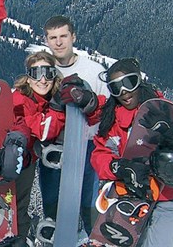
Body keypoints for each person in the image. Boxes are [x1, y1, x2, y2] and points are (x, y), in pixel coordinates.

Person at [92, 58, 173, 247]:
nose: (124, 93)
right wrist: (117, 166)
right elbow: (100, 155)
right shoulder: (112, 121)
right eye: (116, 88)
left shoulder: (165, 110)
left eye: (129, 83)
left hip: (167, 198)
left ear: (139, 81)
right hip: (131, 196)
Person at [42, 15, 108, 235]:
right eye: (53, 38)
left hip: (87, 146)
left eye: (63, 36)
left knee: (89, 203)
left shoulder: (93, 70)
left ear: (73, 37)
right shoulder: (43, 72)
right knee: (54, 205)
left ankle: (94, 238)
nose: (58, 42)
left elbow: (108, 112)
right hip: (54, 148)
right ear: (46, 40)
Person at [11, 52, 65, 245]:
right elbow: (43, 131)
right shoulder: (21, 100)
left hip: (28, 160)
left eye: (48, 73)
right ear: (28, 76)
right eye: (36, 73)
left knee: (20, 204)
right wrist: (58, 108)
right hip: (16, 161)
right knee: (14, 204)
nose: (42, 79)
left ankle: (20, 239)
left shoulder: (43, 99)